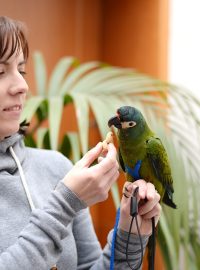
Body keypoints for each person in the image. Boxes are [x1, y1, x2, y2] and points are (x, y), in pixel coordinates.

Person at [0, 16, 161, 270]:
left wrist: (129, 237)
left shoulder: (56, 167)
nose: (22, 85)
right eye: (0, 72)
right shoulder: (67, 192)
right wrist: (66, 202)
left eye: (21, 70)